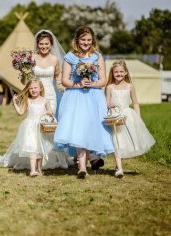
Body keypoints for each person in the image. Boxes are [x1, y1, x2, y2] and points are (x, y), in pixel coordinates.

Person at [54, 26, 115, 179]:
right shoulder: (69, 57)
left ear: (92, 40)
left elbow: (103, 80)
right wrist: (79, 84)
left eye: (89, 40)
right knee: (79, 129)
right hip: (76, 97)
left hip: (94, 97)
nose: (86, 42)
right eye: (83, 39)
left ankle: (89, 160)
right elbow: (65, 81)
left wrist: (91, 84)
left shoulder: (97, 57)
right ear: (77, 40)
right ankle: (82, 167)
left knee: (90, 128)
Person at [31, 30, 74, 169]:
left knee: (49, 125)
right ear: (37, 44)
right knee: (35, 125)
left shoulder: (55, 59)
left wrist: (63, 87)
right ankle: (35, 157)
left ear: (51, 45)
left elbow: (57, 77)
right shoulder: (31, 58)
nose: (44, 46)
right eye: (41, 44)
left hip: (50, 96)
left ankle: (50, 157)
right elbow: (27, 80)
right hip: (35, 96)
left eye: (46, 44)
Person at [105, 59, 155, 178]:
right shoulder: (110, 87)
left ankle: (118, 166)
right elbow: (106, 102)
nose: (119, 74)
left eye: (121, 71)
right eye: (116, 72)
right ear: (112, 73)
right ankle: (120, 169)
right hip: (115, 117)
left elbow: (135, 102)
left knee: (125, 142)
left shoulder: (130, 86)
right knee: (117, 142)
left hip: (128, 116)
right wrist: (109, 104)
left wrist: (137, 117)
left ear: (126, 72)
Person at [0, 79, 54, 176]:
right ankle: (33, 170)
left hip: (40, 127)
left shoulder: (45, 101)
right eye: (30, 88)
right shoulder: (28, 100)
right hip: (30, 127)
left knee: (40, 148)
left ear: (40, 89)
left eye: (35, 88)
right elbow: (21, 113)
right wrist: (15, 103)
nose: (33, 90)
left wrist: (49, 113)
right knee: (32, 148)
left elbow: (50, 111)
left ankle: (39, 169)